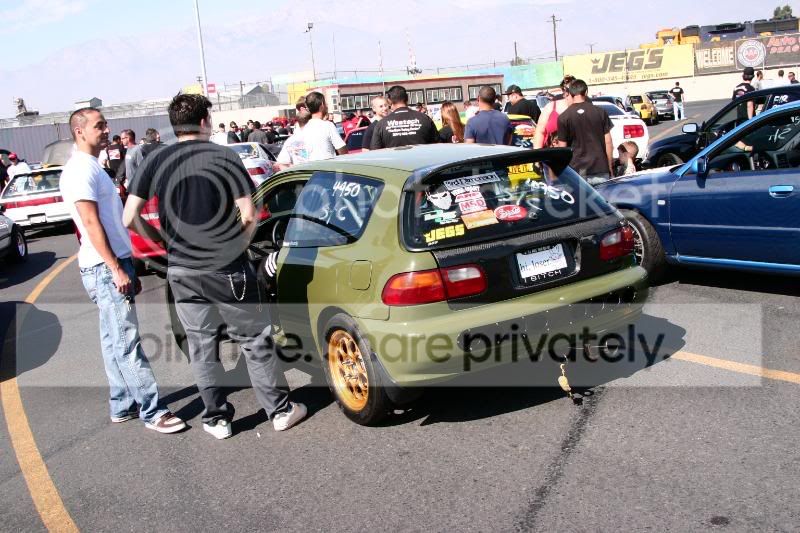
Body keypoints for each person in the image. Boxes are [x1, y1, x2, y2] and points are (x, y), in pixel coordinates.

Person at [123, 94, 307, 439]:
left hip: (182, 269)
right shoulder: (223, 156)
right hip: (225, 265)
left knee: (201, 345)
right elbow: (249, 213)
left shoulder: (155, 160)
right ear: (204, 121)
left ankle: (217, 419)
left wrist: (162, 241)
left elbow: (129, 216)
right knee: (254, 339)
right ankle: (280, 411)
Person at [59, 108, 186, 433]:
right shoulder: (79, 170)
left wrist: (132, 257)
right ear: (79, 131)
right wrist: (116, 267)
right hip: (105, 267)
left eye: (105, 125)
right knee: (127, 341)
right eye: (99, 126)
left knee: (112, 339)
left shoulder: (93, 167)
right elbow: (90, 223)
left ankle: (122, 403)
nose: (106, 130)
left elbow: (116, 221)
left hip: (111, 263)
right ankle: (153, 412)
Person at [556, 79, 614, 185]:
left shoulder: (564, 117)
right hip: (600, 168)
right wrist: (610, 166)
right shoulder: (600, 112)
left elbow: (562, 149)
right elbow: (608, 142)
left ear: (570, 93)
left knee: (582, 196)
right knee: (601, 196)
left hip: (577, 171)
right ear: (586, 92)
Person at [370, 85, 439, 149]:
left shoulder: (381, 124)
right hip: (422, 157)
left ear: (389, 101)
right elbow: (438, 145)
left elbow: (375, 151)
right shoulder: (425, 119)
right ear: (407, 98)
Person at [302, 92, 348, 160]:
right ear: (322, 105)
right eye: (325, 102)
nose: (327, 105)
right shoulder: (328, 125)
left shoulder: (305, 128)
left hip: (312, 166)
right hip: (327, 165)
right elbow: (342, 150)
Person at [533, 75, 575, 149]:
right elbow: (540, 131)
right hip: (551, 153)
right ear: (564, 91)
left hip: (577, 154)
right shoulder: (550, 107)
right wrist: (537, 153)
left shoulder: (583, 108)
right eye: (566, 90)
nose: (568, 93)